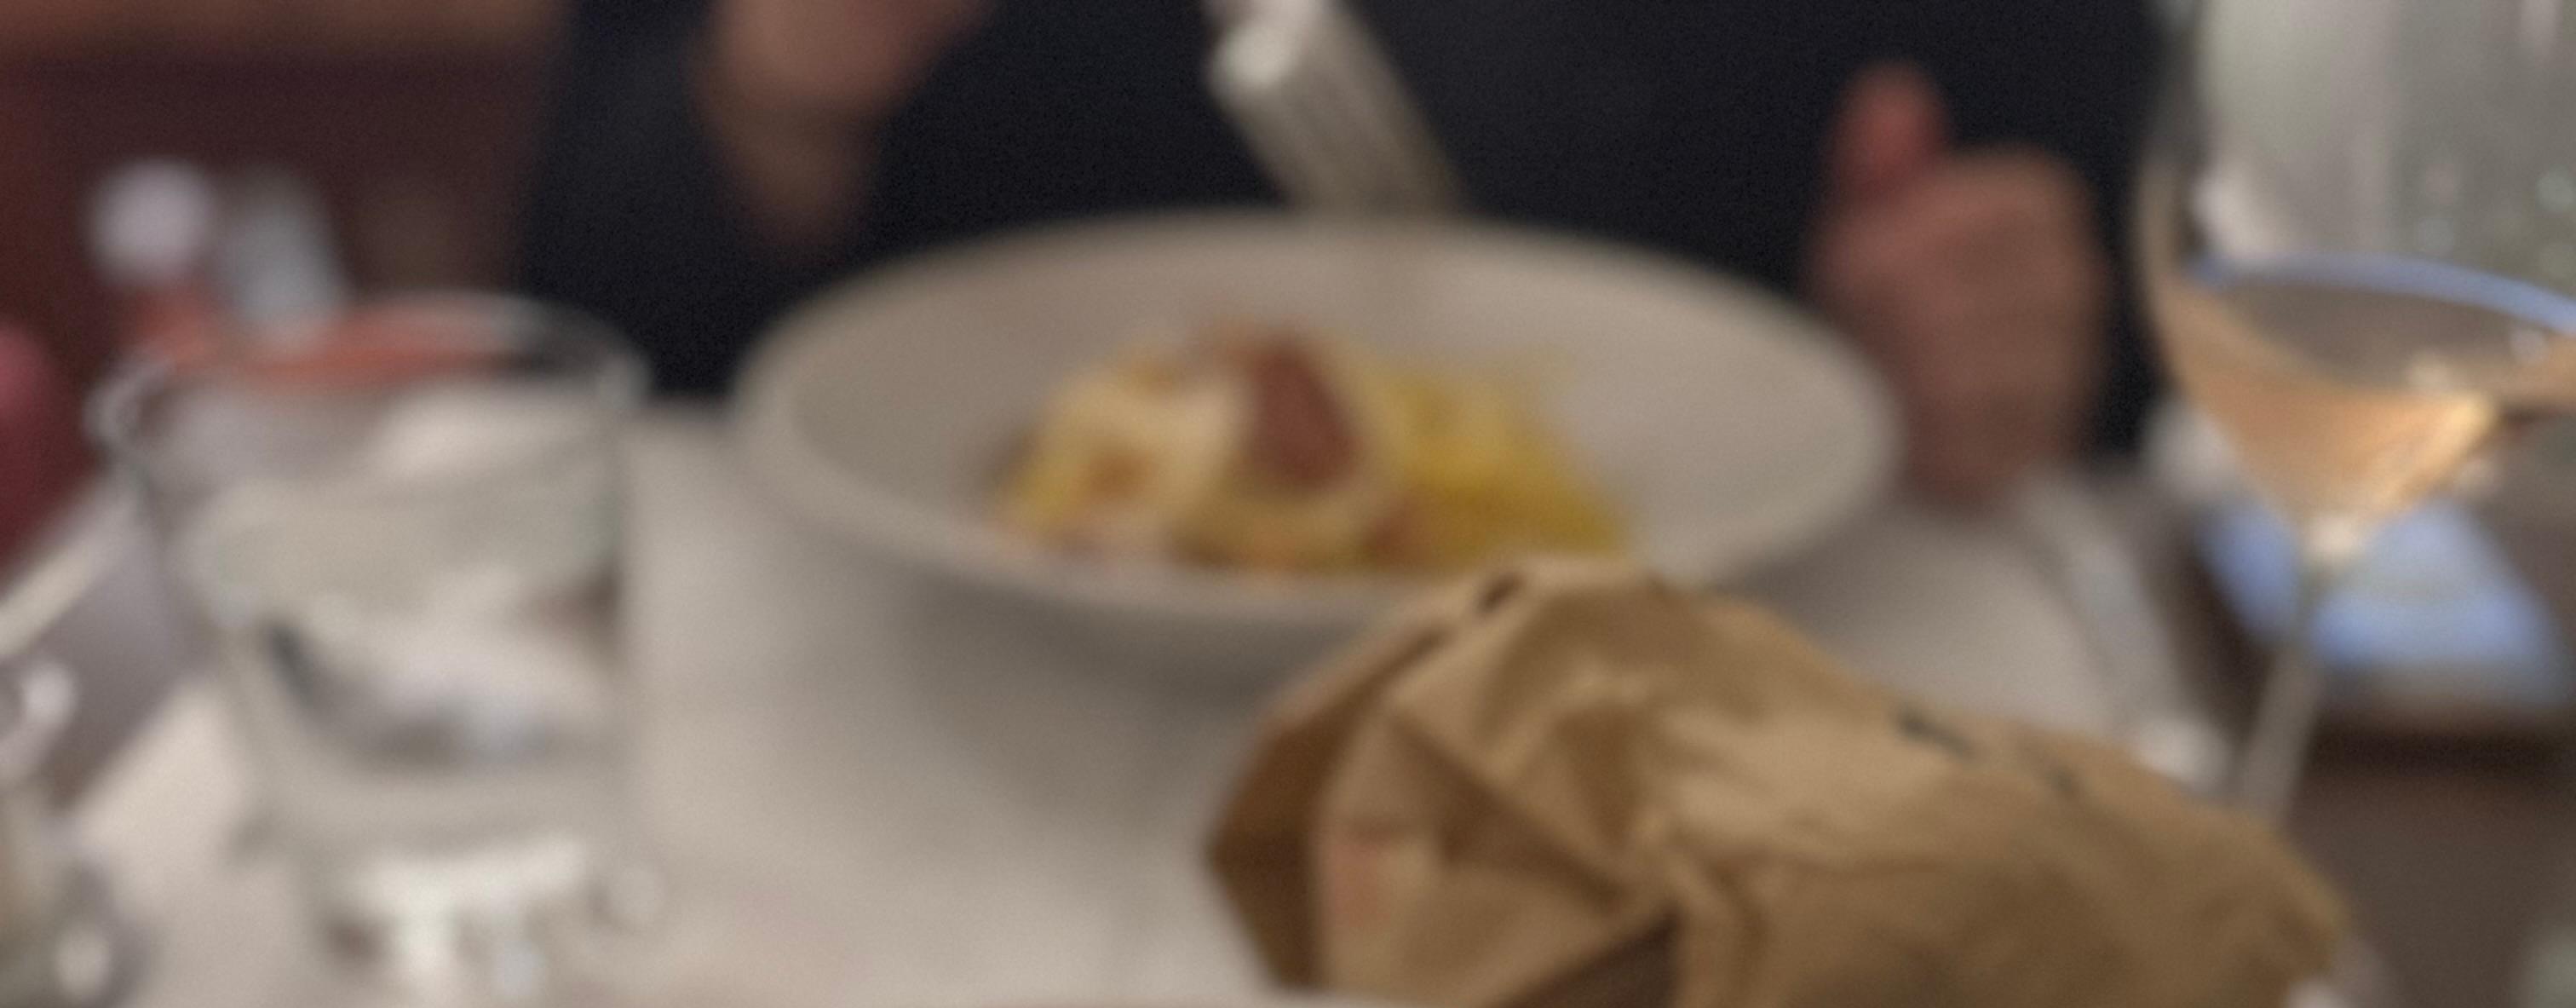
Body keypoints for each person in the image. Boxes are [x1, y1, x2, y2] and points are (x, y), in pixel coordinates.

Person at [523, 0, 2159, 505]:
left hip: (1729, 652)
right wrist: (777, 97)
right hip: (944, 722)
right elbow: (589, 321)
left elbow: (2128, 309)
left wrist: (2004, 330)